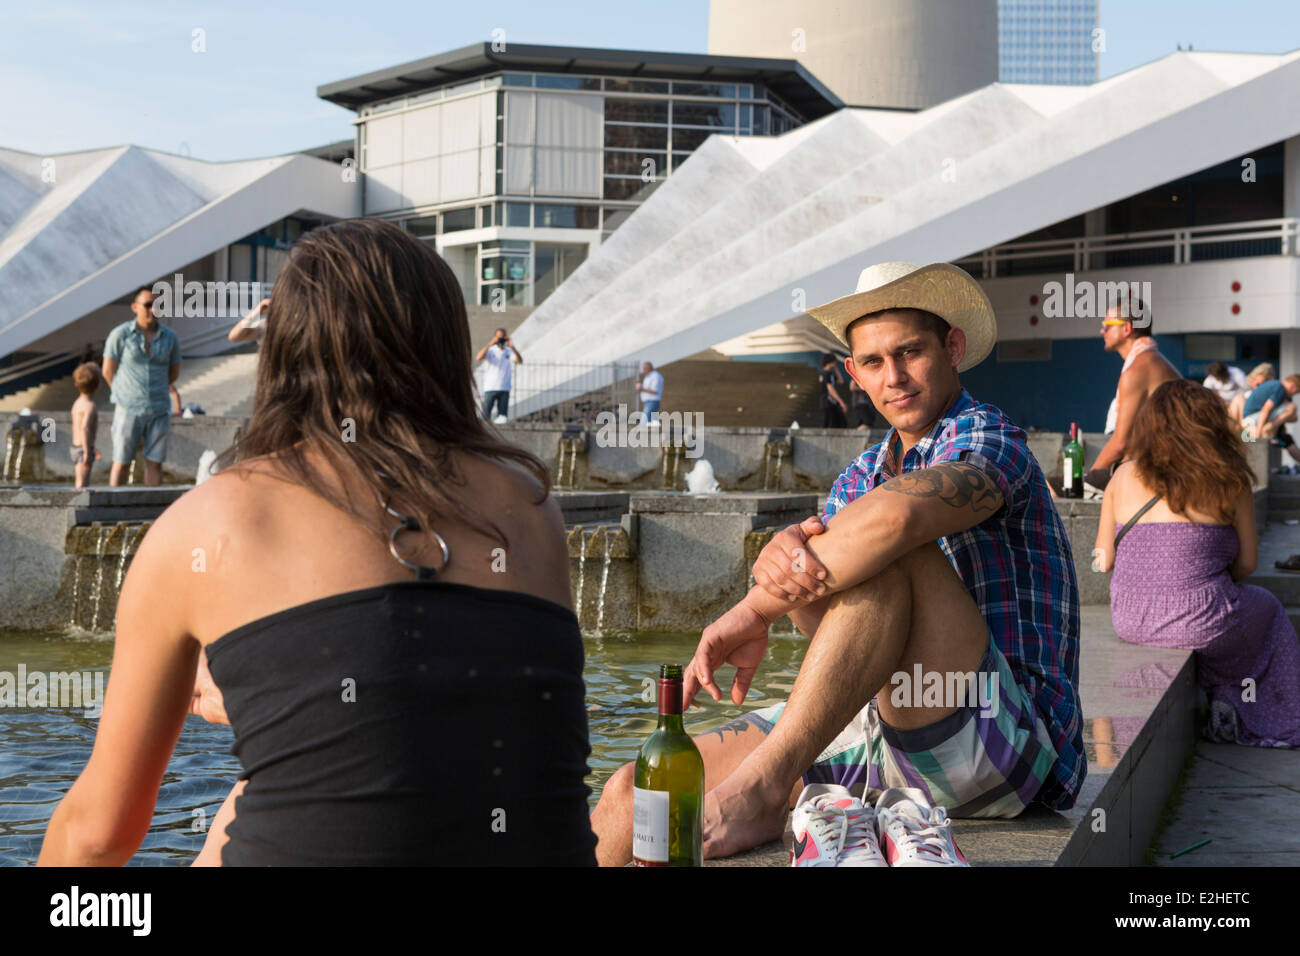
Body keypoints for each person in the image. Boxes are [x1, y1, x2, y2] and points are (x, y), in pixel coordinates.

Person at [38, 219, 597, 866]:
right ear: (443, 346)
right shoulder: (530, 507)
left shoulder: (212, 521)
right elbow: (457, 697)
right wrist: (286, 694)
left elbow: (99, 834)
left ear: (288, 347)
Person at [589, 262, 1083, 864]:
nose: (894, 377)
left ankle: (766, 788)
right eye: (873, 362)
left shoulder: (989, 437)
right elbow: (833, 604)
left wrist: (753, 610)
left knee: (891, 550)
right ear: (853, 372)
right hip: (885, 724)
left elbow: (897, 524)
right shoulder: (860, 476)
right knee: (634, 794)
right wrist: (783, 556)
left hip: (998, 735)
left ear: (953, 348)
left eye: (910, 352)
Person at [1094, 379, 1299, 747]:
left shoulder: (1121, 476)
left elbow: (1104, 559)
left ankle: (1226, 700)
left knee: (1217, 625)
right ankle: (1255, 710)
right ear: (1211, 424)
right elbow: (1248, 565)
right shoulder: (1229, 480)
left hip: (1130, 619)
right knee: (1266, 610)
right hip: (1201, 618)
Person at [1086, 298, 1181, 491]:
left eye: (1107, 325)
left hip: (1157, 470)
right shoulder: (1155, 362)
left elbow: (1121, 443)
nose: (1102, 331)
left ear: (1126, 328)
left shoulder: (1137, 370)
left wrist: (1088, 481)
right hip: (1164, 464)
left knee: (1051, 488)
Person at [101, 287, 181, 487]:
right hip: (128, 407)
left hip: (159, 408)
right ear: (135, 307)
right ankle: (111, 513)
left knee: (155, 463)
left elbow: (174, 373)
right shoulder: (120, 335)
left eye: (158, 305)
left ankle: (150, 514)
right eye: (148, 305)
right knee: (121, 462)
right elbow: (107, 371)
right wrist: (122, 393)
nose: (153, 309)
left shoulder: (171, 338)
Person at [476, 327, 522, 421]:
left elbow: (519, 360)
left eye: (502, 337)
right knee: (485, 416)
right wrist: (490, 344)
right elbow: (479, 357)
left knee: (502, 417)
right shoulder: (491, 350)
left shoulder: (509, 351)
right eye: (498, 337)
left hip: (504, 387)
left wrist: (512, 346)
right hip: (490, 387)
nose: (500, 340)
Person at [1240, 373, 1300, 442]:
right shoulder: (1280, 388)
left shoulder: (1274, 384)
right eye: (1296, 392)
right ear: (1292, 386)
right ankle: (1266, 429)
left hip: (1250, 418)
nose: (1293, 395)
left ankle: (1268, 431)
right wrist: (1259, 434)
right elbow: (1265, 410)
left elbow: (1294, 418)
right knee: (1292, 407)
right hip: (1251, 419)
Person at [69, 363, 102, 489]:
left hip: (76, 446)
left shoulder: (77, 403)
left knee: (80, 477)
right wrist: (88, 452)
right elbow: (84, 428)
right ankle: (79, 503)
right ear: (98, 385)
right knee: (83, 481)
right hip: (83, 449)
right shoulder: (90, 406)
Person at [1227, 362, 1274, 431]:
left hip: (1252, 418)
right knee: (1238, 400)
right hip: (1244, 417)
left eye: (1258, 383)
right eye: (1254, 380)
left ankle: (1241, 428)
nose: (1254, 382)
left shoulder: (1271, 390)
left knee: (1239, 399)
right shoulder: (1246, 388)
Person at [819, 352, 849, 428]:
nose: (835, 363)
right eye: (834, 361)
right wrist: (841, 402)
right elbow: (830, 389)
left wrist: (836, 370)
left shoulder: (830, 373)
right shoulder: (825, 373)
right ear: (830, 361)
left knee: (839, 422)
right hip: (827, 401)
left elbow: (841, 381)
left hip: (832, 402)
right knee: (831, 422)